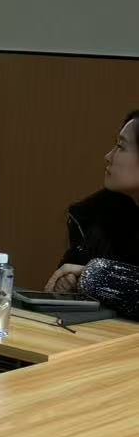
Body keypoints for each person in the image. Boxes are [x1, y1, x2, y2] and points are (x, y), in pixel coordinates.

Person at [45, 111, 139, 316]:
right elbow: (71, 274)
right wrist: (69, 284)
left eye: (121, 146)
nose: (108, 156)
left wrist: (97, 276)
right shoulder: (96, 214)